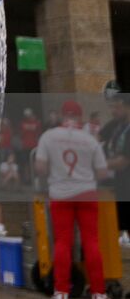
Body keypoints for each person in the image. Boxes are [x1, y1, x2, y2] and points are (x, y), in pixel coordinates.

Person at [36, 100, 110, 299]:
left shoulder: (48, 137)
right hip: (87, 194)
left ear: (62, 116)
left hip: (60, 195)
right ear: (79, 117)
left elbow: (40, 168)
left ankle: (61, 291)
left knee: (62, 243)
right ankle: (98, 292)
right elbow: (103, 172)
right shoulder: (90, 140)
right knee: (92, 242)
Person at [102, 93, 130, 247]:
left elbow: (124, 161)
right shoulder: (115, 125)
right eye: (111, 107)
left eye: (116, 107)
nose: (113, 111)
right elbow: (97, 137)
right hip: (119, 182)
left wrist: (100, 165)